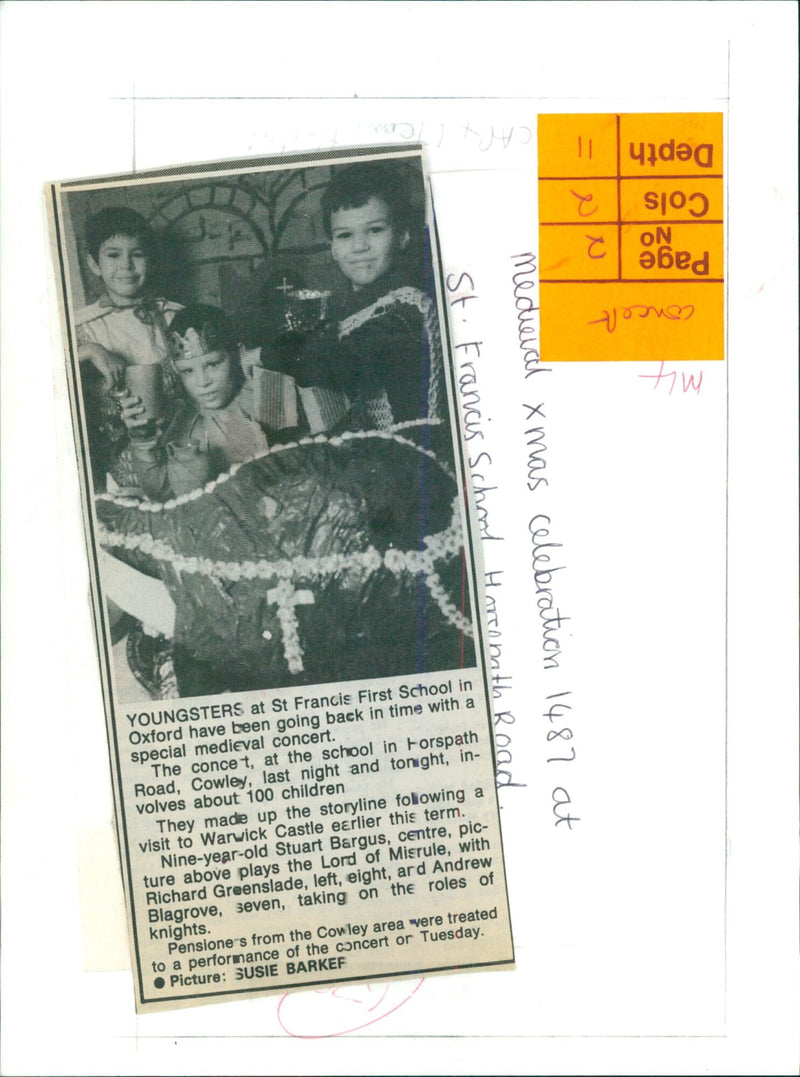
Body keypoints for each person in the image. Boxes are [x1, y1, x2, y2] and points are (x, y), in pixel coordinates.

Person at [267, 162, 445, 435]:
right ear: (333, 249)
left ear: (402, 237)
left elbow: (329, 367)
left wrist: (263, 352)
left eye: (375, 230)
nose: (360, 246)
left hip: (416, 457)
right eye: (345, 235)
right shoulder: (355, 307)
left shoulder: (406, 309)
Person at [75, 207, 182, 487]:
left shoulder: (173, 315)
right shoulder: (83, 328)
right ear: (94, 264)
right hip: (123, 469)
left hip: (183, 450)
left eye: (137, 254)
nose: (126, 265)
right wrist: (90, 351)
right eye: (113, 255)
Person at [118, 304, 269, 501]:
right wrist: (142, 439)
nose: (203, 382)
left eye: (213, 364)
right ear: (175, 368)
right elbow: (162, 493)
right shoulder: (178, 419)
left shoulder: (262, 396)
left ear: (237, 355)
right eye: (188, 371)